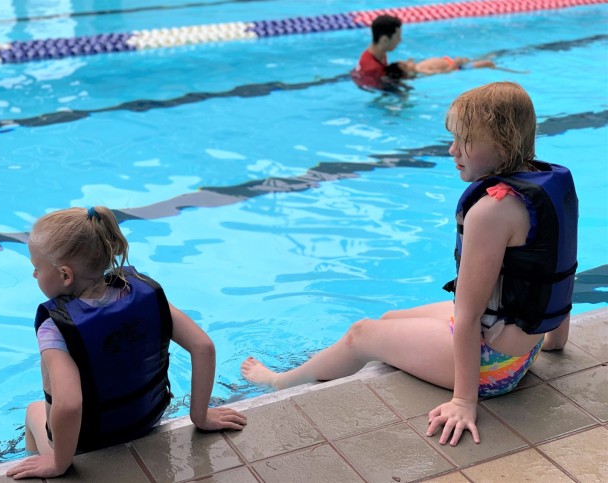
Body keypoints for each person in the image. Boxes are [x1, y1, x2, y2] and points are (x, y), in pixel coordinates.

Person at [242, 82, 578, 446]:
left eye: (464, 140)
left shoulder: (491, 211)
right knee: (387, 322)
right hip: (525, 348)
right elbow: (560, 270)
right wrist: (554, 341)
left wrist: (464, 401)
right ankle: (335, 362)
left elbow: (467, 315)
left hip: (493, 368)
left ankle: (279, 381)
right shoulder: (544, 185)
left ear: (500, 141)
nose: (452, 150)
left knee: (361, 334)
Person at [7, 206, 247, 480]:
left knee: (32, 410)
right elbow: (203, 346)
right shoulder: (143, 294)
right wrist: (200, 417)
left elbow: (70, 404)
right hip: (147, 420)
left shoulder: (55, 327)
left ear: (65, 275)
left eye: (36, 267)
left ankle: (41, 456)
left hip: (90, 441)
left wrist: (59, 463)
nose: (34, 275)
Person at [350, 15, 404, 91]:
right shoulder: (372, 68)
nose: (400, 40)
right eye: (397, 37)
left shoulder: (378, 53)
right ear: (384, 40)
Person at [396, 56, 526, 77]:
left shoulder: (418, 65)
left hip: (455, 62)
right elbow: (444, 72)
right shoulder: (421, 69)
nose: (407, 61)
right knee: (488, 63)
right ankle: (514, 71)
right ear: (406, 70)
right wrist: (455, 64)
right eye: (405, 64)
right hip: (459, 67)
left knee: (487, 59)